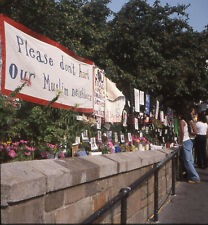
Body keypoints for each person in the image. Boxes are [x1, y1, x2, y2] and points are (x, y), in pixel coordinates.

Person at [178, 111, 200, 183]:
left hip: (185, 142)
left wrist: (180, 142)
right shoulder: (186, 122)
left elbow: (182, 133)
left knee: (188, 161)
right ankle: (191, 176)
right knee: (190, 160)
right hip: (188, 141)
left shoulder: (181, 121)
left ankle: (195, 177)